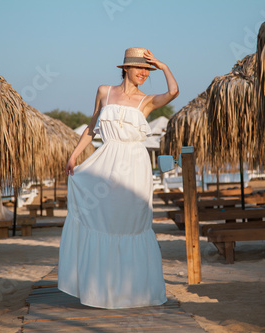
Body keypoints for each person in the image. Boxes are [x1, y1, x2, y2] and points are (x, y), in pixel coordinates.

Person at [58, 47, 179, 309]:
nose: (144, 74)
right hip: (106, 161)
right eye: (140, 68)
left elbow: (173, 92)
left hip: (135, 166)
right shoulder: (104, 91)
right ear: (125, 68)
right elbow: (92, 127)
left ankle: (134, 292)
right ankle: (102, 290)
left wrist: (164, 66)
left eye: (148, 70)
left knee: (132, 224)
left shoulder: (146, 101)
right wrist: (74, 155)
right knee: (103, 218)